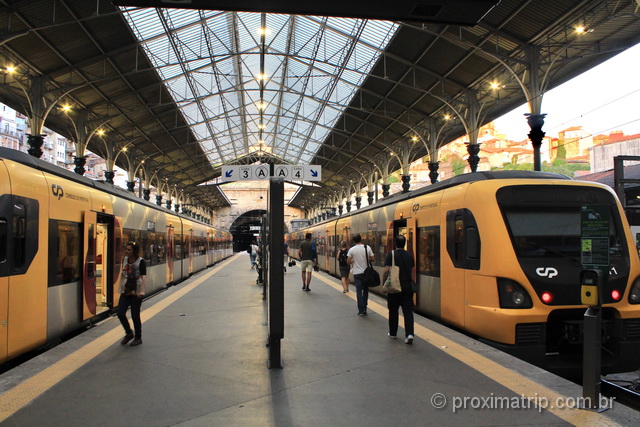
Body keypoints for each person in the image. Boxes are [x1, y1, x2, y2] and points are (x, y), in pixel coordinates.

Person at [383, 235, 415, 344]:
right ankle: (409, 334)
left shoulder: (390, 254)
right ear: (404, 243)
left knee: (393, 310)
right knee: (408, 311)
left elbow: (386, 270)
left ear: (395, 243)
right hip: (407, 286)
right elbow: (412, 270)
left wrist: (385, 284)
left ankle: (393, 333)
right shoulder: (409, 255)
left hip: (394, 286)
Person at [118, 242, 147, 346]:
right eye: (126, 249)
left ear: (134, 251)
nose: (126, 251)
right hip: (125, 291)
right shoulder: (124, 259)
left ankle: (138, 337)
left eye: (129, 250)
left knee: (135, 315)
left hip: (136, 292)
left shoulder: (141, 261)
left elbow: (143, 277)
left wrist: (142, 291)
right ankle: (129, 333)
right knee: (120, 313)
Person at [347, 234, 375, 315]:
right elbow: (373, 258)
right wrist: (367, 259)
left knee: (358, 292)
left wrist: (353, 260)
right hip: (366, 273)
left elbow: (348, 262)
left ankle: (361, 310)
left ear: (354, 241)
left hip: (357, 274)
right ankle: (365, 307)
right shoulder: (367, 247)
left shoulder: (352, 250)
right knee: (365, 290)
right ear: (361, 239)